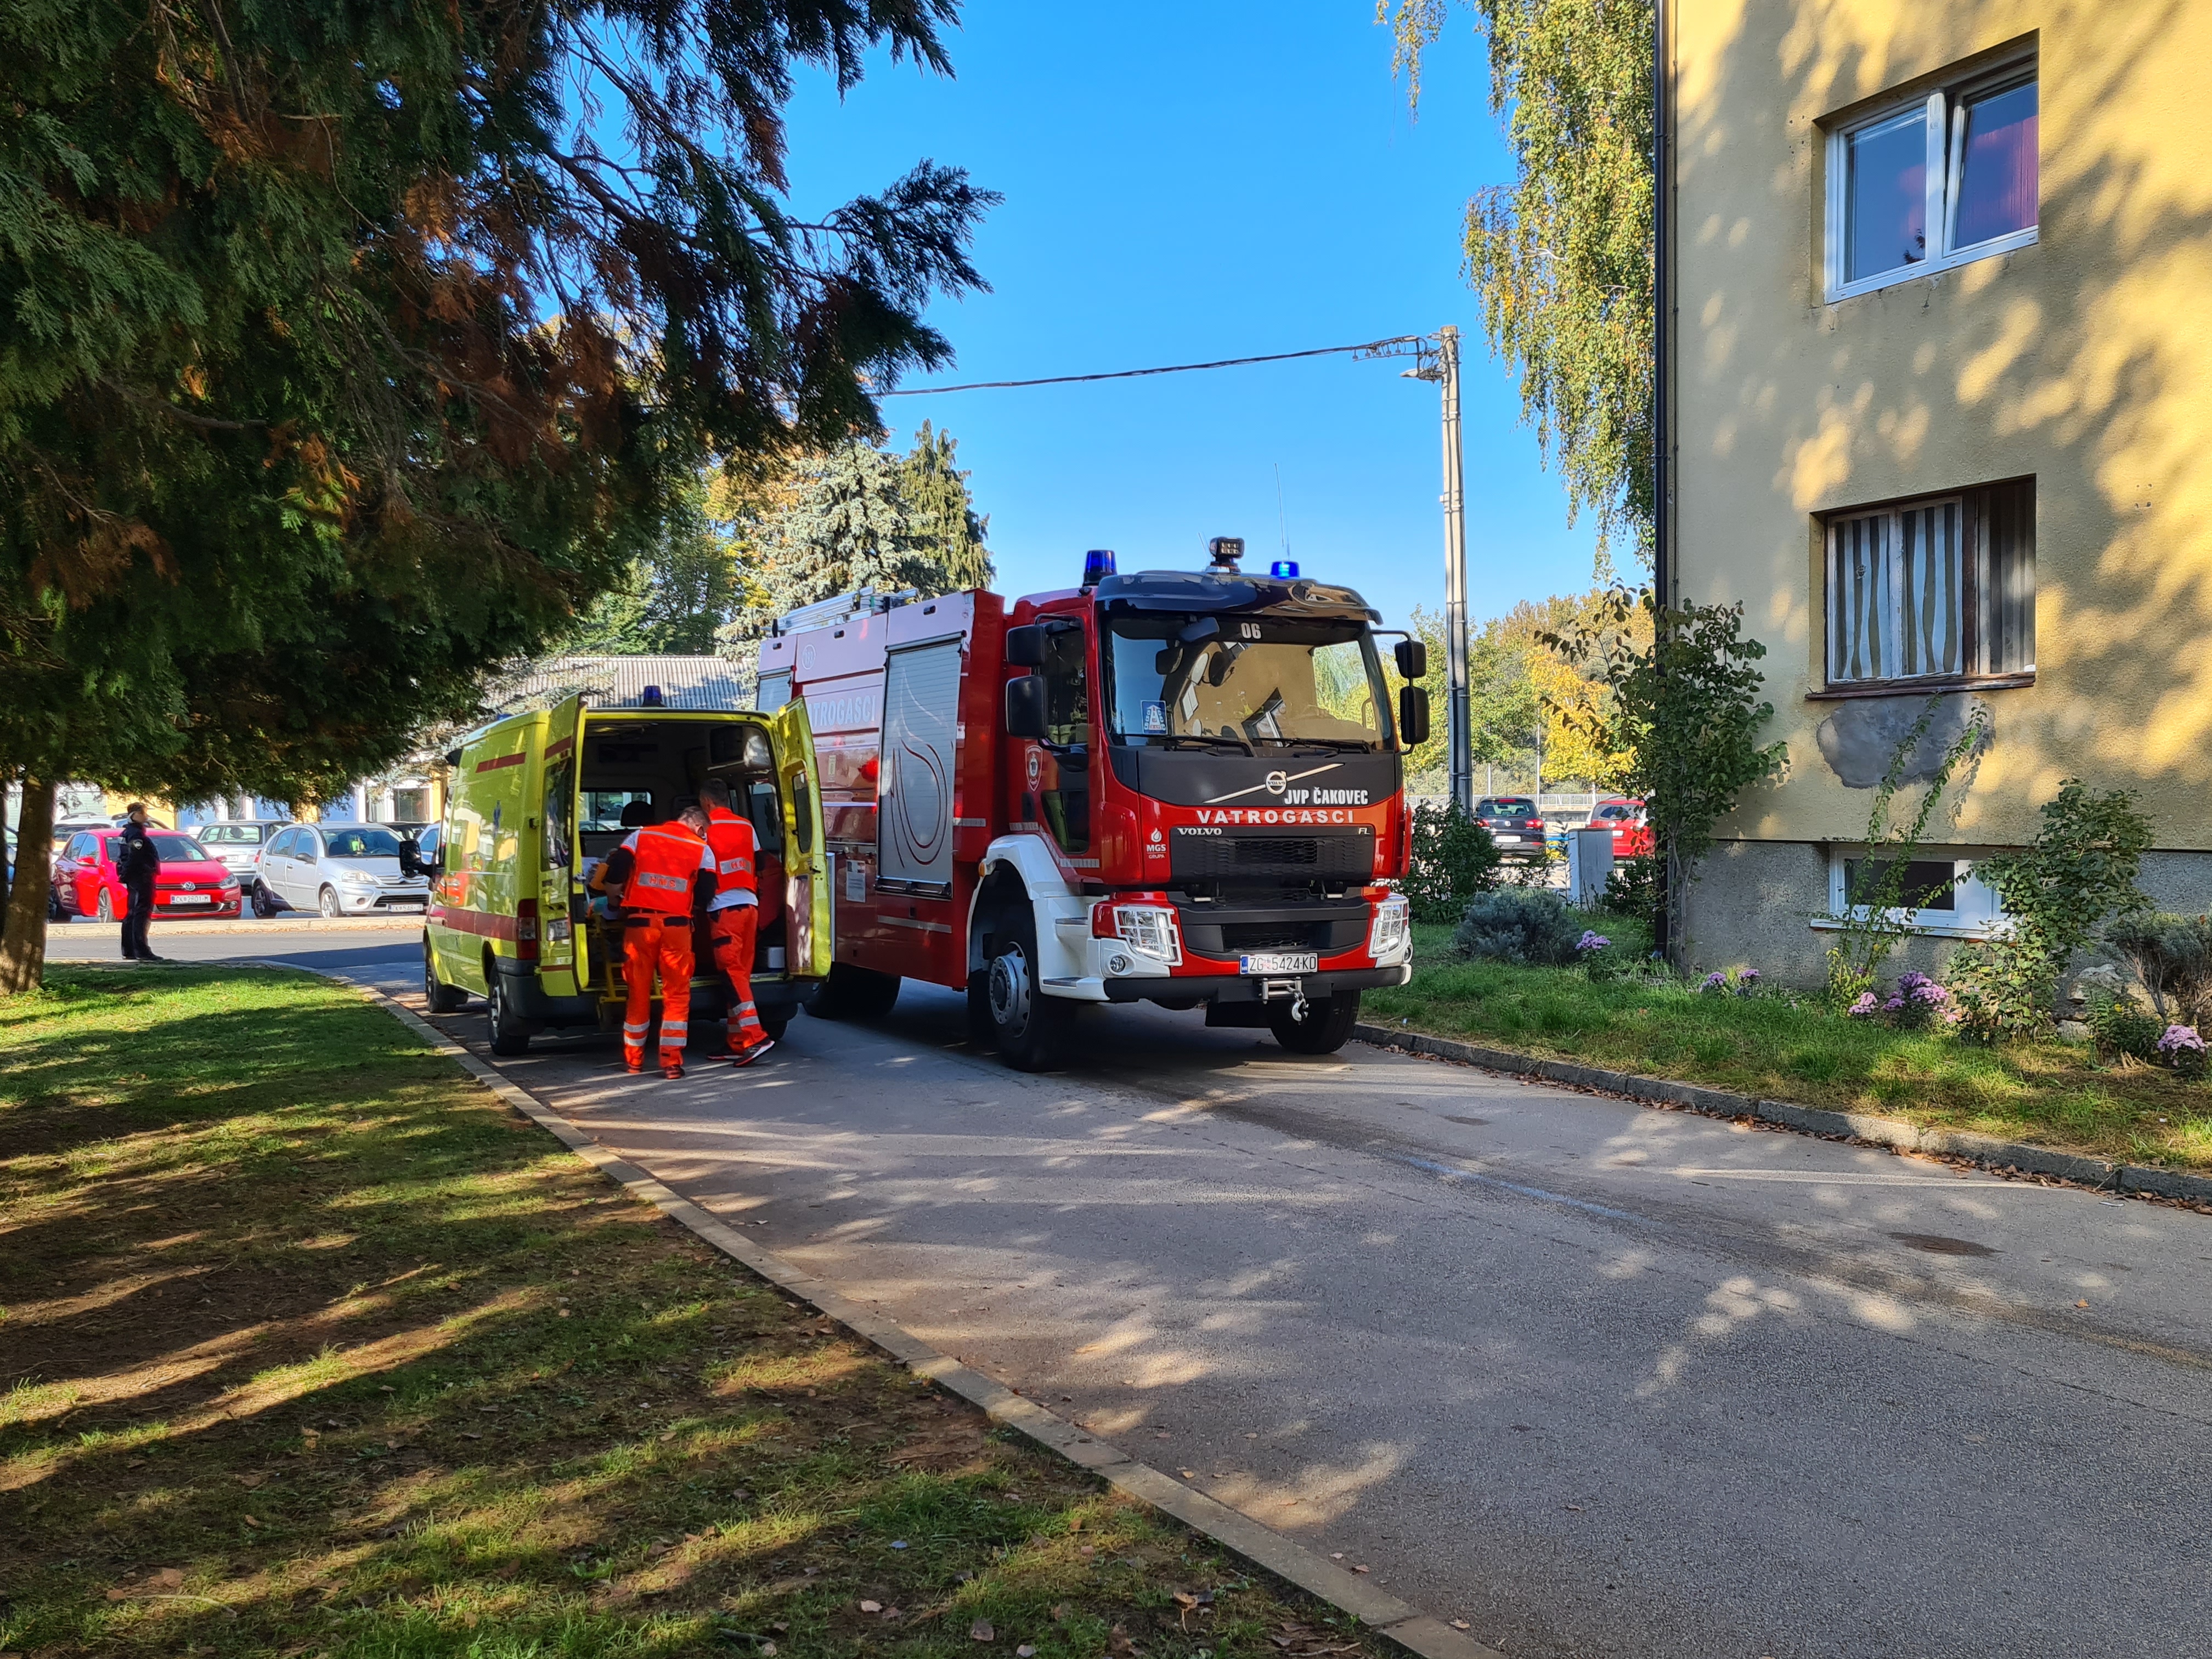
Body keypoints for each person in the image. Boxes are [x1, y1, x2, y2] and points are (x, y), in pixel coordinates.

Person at [589, 802, 716, 1078]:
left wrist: (614, 901)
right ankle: (671, 1063)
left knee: (638, 993)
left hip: (639, 925)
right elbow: (707, 894)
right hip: (677, 928)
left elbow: (616, 872)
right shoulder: (702, 849)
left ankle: (634, 1061)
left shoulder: (641, 836)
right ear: (699, 827)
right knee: (677, 995)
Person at [698, 777, 774, 1065]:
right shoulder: (745, 825)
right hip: (750, 906)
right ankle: (737, 1042)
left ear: (707, 802)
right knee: (740, 974)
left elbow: (700, 869)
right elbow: (761, 861)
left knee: (731, 974)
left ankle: (755, 1037)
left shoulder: (705, 829)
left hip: (724, 908)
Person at [116, 803, 166, 963]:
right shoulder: (135, 835)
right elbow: (134, 857)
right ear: (135, 815)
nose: (146, 816)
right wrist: (130, 874)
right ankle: (141, 950)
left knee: (133, 912)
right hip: (140, 878)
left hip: (136, 877)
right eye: (143, 812)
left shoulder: (129, 833)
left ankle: (129, 950)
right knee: (140, 912)